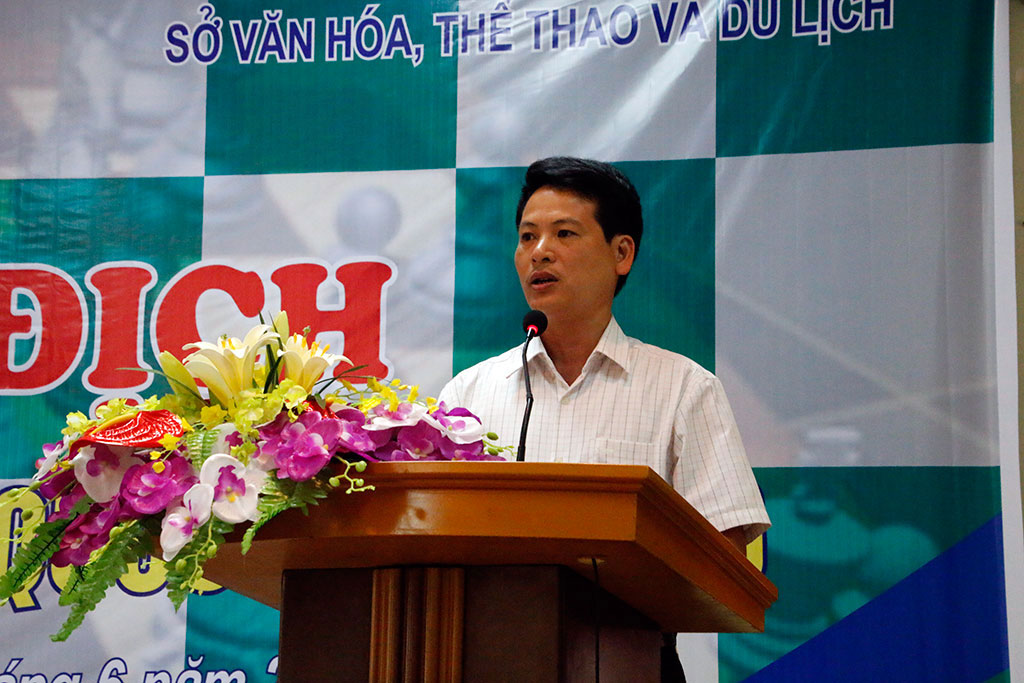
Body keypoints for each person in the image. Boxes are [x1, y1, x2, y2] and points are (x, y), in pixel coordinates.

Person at [438, 156, 770, 681]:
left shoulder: (683, 387)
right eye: (527, 237)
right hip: (487, 657)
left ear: (622, 253)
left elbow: (725, 553)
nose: (539, 251)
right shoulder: (469, 393)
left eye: (564, 233)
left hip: (629, 658)